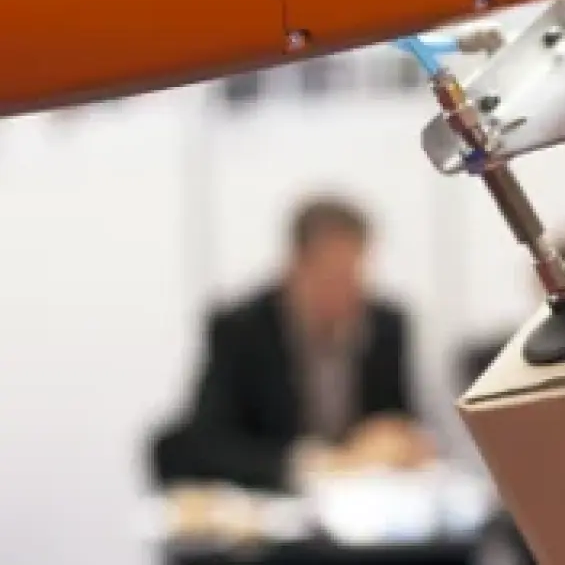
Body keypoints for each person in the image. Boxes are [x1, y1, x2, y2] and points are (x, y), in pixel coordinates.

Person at [158, 196, 433, 492]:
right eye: (332, 276)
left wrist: (399, 442)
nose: (347, 291)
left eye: (354, 274)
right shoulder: (240, 330)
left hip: (367, 503)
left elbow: (401, 418)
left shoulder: (386, 325)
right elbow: (208, 443)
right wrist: (305, 464)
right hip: (277, 505)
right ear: (296, 267)